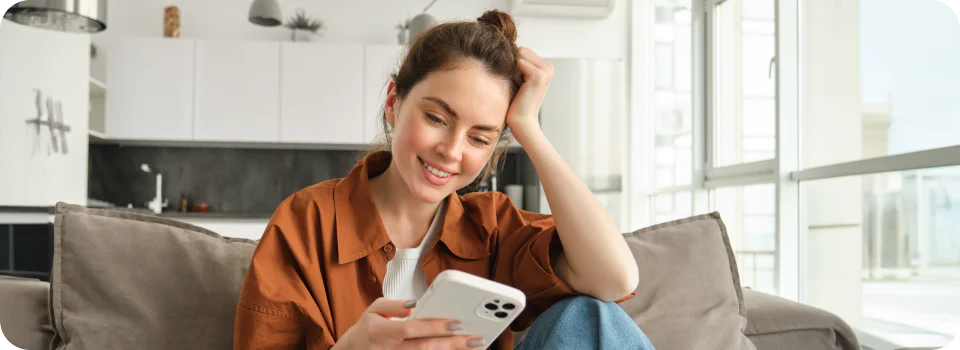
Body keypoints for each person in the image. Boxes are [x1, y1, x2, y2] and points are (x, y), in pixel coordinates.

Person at [233, 9, 654, 350]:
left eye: (479, 137)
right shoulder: (305, 222)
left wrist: (529, 128)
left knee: (590, 315)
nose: (452, 151)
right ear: (394, 103)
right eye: (436, 118)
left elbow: (615, 280)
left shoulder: (492, 228)